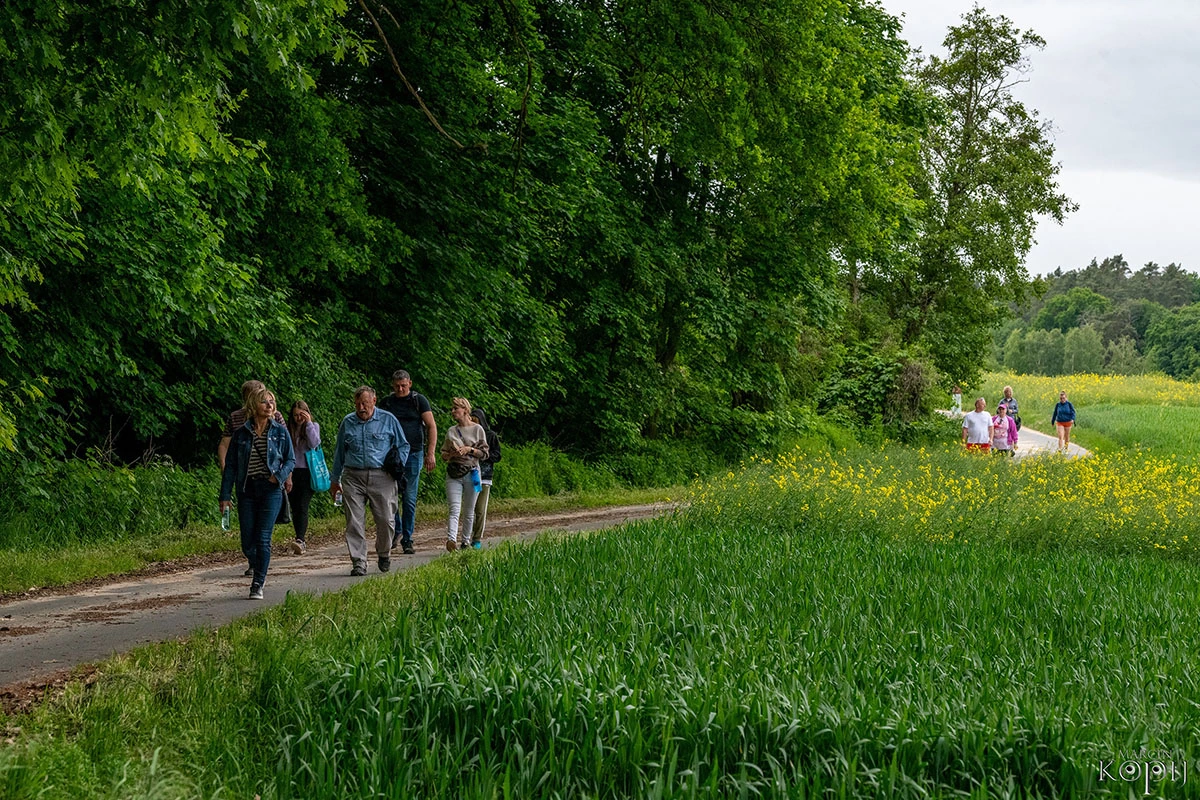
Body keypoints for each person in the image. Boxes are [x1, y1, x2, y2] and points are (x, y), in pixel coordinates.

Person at [219, 387, 295, 600]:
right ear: (253, 406)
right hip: (247, 490)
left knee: (263, 538)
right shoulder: (241, 433)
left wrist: (279, 477)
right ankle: (258, 560)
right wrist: (225, 496)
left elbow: (290, 460)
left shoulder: (280, 431)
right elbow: (232, 466)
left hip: (271, 490)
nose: (269, 405)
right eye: (264, 401)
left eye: (271, 401)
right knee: (247, 541)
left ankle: (258, 583)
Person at [330, 387, 409, 576]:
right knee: (354, 521)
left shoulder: (388, 420)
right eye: (357, 404)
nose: (361, 407)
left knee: (386, 520)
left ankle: (384, 553)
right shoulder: (348, 422)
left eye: (365, 403)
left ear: (374, 400)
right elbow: (339, 452)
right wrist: (335, 480)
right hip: (353, 476)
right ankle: (359, 561)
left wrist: (398, 465)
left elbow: (404, 445)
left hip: (382, 476)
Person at [378, 370, 438, 554]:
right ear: (392, 385)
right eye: (397, 386)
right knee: (391, 495)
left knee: (409, 498)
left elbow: (431, 426)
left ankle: (408, 538)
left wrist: (430, 453)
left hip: (414, 453)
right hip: (392, 455)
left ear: (409, 384)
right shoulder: (387, 403)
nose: (400, 389)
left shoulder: (418, 401)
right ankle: (397, 530)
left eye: (403, 385)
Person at [440, 397, 489, 552]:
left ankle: (466, 541)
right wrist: (451, 454)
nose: (453, 412)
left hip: (473, 472)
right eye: (452, 409)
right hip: (454, 472)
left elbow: (485, 453)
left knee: (469, 510)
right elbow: (443, 454)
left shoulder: (478, 429)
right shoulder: (451, 431)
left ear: (465, 410)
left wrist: (469, 450)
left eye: (456, 408)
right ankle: (451, 539)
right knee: (454, 508)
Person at [286, 400, 321, 555]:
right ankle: (298, 536)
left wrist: (308, 424)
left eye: (301, 414)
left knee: (302, 505)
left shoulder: (313, 427)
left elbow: (314, 444)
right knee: (294, 506)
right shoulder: (288, 430)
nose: (298, 418)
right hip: (292, 471)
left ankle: (300, 539)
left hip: (308, 472)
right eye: (295, 415)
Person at [467, 407, 501, 549]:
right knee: (469, 508)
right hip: (470, 475)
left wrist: (483, 456)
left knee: (480, 509)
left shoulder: (490, 435)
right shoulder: (468, 434)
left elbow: (497, 455)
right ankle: (466, 537)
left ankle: (476, 538)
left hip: (484, 477)